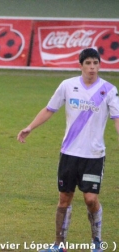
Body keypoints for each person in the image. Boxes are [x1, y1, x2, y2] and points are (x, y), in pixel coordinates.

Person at [17, 48, 119, 252]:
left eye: (96, 63)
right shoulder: (67, 85)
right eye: (88, 63)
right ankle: (59, 245)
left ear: (100, 65)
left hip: (94, 155)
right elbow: (49, 109)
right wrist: (30, 127)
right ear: (80, 65)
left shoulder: (109, 90)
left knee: (90, 199)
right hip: (69, 153)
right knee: (64, 198)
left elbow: (117, 119)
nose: (92, 67)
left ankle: (97, 243)